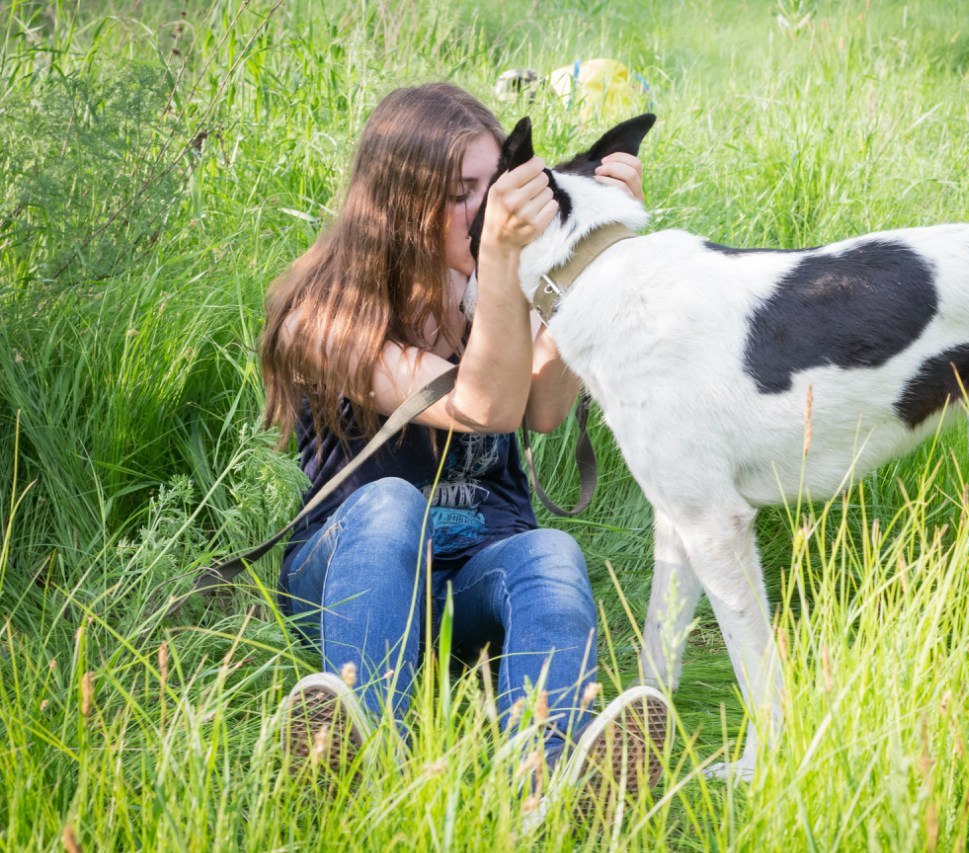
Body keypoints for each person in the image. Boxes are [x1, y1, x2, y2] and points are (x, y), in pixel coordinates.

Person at [258, 82, 668, 806]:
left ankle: (549, 782)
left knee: (554, 552)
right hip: (352, 578)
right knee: (389, 505)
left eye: (495, 183)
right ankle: (363, 760)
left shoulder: (493, 287)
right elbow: (482, 404)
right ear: (400, 204)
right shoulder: (321, 315)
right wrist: (509, 264)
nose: (486, 210)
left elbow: (541, 408)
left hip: (474, 579)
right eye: (462, 192)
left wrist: (595, 245)